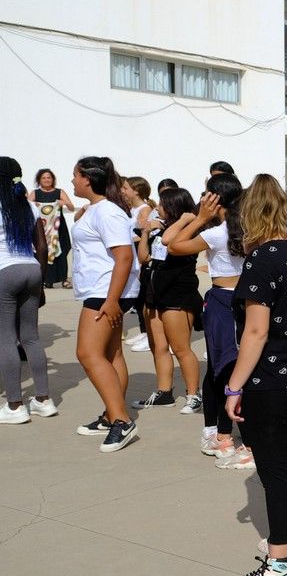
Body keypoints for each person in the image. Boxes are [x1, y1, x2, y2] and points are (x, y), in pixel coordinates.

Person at [221, 175, 287, 576]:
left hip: (272, 377)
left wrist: (233, 386)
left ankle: (279, 563)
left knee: (275, 469)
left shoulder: (261, 259)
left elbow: (256, 333)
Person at [167, 174, 246, 463]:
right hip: (247, 301)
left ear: (214, 199)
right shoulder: (247, 228)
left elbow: (174, 245)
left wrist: (200, 218)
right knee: (238, 367)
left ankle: (224, 436)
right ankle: (227, 434)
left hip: (222, 301)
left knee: (220, 369)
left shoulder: (216, 232)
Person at [70, 157, 141, 452]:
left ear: (87, 178)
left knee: (87, 353)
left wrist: (112, 300)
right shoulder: (98, 209)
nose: (71, 181)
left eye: (74, 175)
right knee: (111, 355)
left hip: (105, 292)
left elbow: (124, 256)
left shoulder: (107, 212)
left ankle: (121, 420)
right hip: (105, 289)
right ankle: (110, 415)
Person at [133, 187, 204, 414]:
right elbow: (144, 258)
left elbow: (167, 242)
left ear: (173, 207)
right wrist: (145, 232)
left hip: (178, 294)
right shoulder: (159, 229)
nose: (157, 209)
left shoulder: (187, 230)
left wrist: (183, 220)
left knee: (181, 348)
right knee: (159, 346)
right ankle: (164, 392)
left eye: (161, 205)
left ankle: (194, 394)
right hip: (154, 293)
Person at [0, 157, 54, 424]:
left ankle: (14, 406)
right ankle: (44, 400)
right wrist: (41, 284)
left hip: (4, 273)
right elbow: (42, 248)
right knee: (31, 337)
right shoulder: (29, 206)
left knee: (6, 339)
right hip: (31, 269)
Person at [122, 177, 157, 353]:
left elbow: (144, 234)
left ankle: (148, 333)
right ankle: (144, 330)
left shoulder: (145, 209)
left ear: (136, 190)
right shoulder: (132, 209)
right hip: (133, 252)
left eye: (126, 188)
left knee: (143, 295)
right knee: (139, 297)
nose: (123, 190)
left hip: (138, 253)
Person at [29, 168, 73, 289]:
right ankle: (46, 280)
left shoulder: (59, 192)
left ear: (53, 179)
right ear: (39, 180)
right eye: (43, 178)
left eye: (49, 177)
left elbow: (71, 207)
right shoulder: (35, 193)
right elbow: (26, 206)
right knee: (42, 252)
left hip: (58, 228)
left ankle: (64, 279)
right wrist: (34, 204)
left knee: (62, 252)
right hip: (41, 229)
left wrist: (63, 202)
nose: (47, 180)